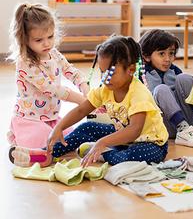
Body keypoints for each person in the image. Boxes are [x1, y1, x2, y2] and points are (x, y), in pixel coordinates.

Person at [9, 35, 169, 168]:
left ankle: (103, 153)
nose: (105, 77)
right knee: (87, 127)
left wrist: (102, 142)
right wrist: (59, 127)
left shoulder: (138, 93)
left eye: (111, 72)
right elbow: (81, 110)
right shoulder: (106, 89)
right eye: (102, 71)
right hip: (121, 137)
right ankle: (46, 154)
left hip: (151, 143)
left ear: (130, 70)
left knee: (130, 157)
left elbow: (134, 130)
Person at [7, 3, 89, 148]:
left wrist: (83, 85)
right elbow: (52, 89)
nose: (47, 43)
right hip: (29, 118)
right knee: (45, 142)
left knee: (72, 139)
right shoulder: (25, 62)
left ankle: (34, 139)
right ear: (24, 39)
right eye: (39, 40)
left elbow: (70, 70)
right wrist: (81, 101)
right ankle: (19, 135)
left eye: (50, 36)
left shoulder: (53, 53)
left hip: (51, 117)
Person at [139, 29, 193, 147]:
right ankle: (182, 131)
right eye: (161, 54)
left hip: (187, 122)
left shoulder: (174, 70)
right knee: (161, 89)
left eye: (171, 53)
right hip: (161, 125)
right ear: (147, 56)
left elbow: (187, 92)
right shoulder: (142, 74)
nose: (167, 59)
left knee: (184, 78)